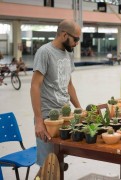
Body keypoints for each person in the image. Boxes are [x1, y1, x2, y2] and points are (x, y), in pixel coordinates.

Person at [30, 19, 82, 176]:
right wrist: (39, 121)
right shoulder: (45, 52)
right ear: (64, 35)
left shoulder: (68, 54)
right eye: (76, 39)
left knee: (58, 163)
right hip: (48, 118)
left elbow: (69, 85)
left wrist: (79, 108)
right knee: (48, 165)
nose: (76, 43)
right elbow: (34, 86)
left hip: (63, 116)